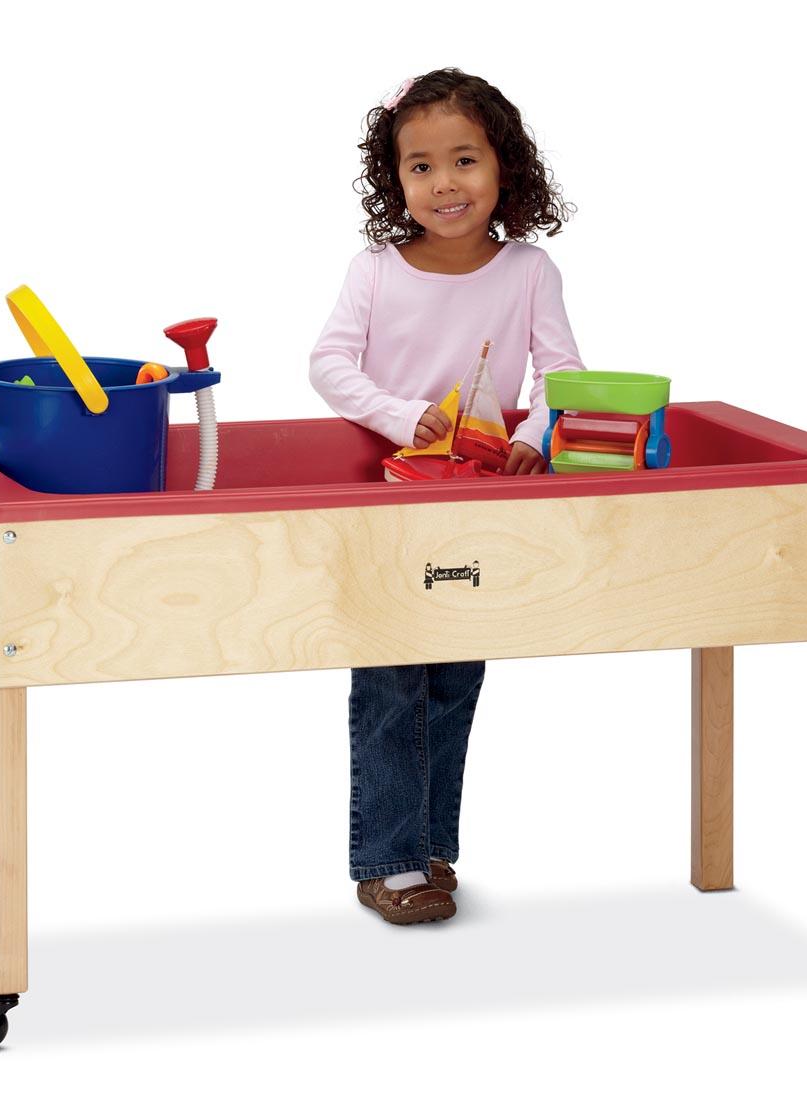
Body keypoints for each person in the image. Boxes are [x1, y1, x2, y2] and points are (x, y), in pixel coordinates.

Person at [308, 67, 585, 925]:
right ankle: (387, 862)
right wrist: (407, 419)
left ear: (505, 167)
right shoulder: (375, 270)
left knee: (456, 672)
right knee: (393, 674)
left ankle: (428, 844)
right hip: (394, 503)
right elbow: (329, 366)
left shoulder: (530, 270)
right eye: (420, 166)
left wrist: (535, 439)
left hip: (483, 500)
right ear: (396, 180)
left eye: (464, 159)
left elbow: (563, 375)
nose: (444, 183)